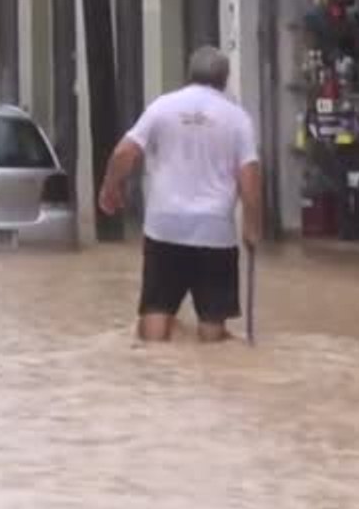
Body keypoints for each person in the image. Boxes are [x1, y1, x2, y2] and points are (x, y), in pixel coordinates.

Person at [98, 47, 263, 343]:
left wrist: (110, 189)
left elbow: (124, 151)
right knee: (213, 327)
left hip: (164, 226)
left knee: (156, 313)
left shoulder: (163, 107)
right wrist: (252, 227)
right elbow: (250, 177)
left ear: (189, 74)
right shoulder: (237, 118)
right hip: (215, 231)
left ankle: (156, 376)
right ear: (225, 79)